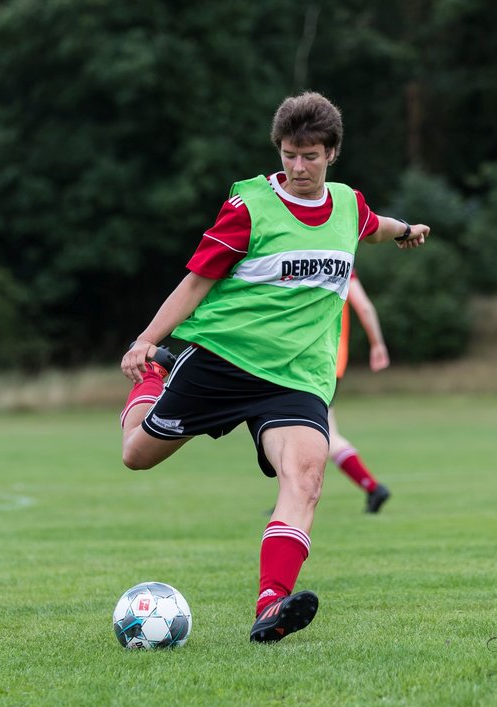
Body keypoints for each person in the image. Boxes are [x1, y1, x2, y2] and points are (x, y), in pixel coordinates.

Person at [118, 91, 429, 643]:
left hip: (295, 378)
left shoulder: (348, 206)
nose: (297, 167)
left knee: (307, 478)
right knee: (137, 456)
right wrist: (145, 342)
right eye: (289, 154)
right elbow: (195, 282)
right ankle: (154, 377)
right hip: (223, 360)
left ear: (332, 153)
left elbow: (374, 224)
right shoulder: (249, 207)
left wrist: (405, 230)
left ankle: (271, 606)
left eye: (310, 156)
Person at [329, 271, 392, 513]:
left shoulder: (298, 254)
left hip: (307, 363)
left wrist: (377, 345)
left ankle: (373, 487)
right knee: (315, 433)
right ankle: (372, 488)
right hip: (333, 363)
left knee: (321, 436)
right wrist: (377, 344)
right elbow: (364, 307)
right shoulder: (341, 259)